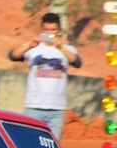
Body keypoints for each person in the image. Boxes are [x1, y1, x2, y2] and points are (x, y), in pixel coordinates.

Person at [8, 11, 82, 140]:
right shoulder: (34, 48)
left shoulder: (66, 49)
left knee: (53, 147)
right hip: (34, 107)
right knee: (29, 143)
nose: (49, 33)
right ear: (41, 30)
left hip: (57, 109)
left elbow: (77, 62)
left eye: (53, 30)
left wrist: (61, 48)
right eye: (46, 30)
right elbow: (12, 55)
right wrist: (30, 45)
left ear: (58, 30)